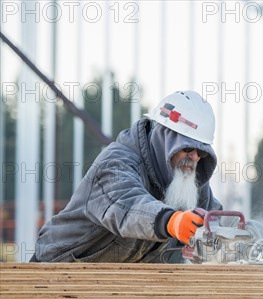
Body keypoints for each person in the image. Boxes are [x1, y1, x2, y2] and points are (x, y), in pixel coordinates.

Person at [31, 90, 222, 263]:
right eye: (187, 147)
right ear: (162, 138)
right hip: (56, 272)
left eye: (202, 152)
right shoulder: (115, 164)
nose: (195, 157)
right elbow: (126, 206)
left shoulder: (187, 178)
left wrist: (242, 233)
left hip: (114, 287)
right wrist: (172, 221)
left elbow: (216, 222)